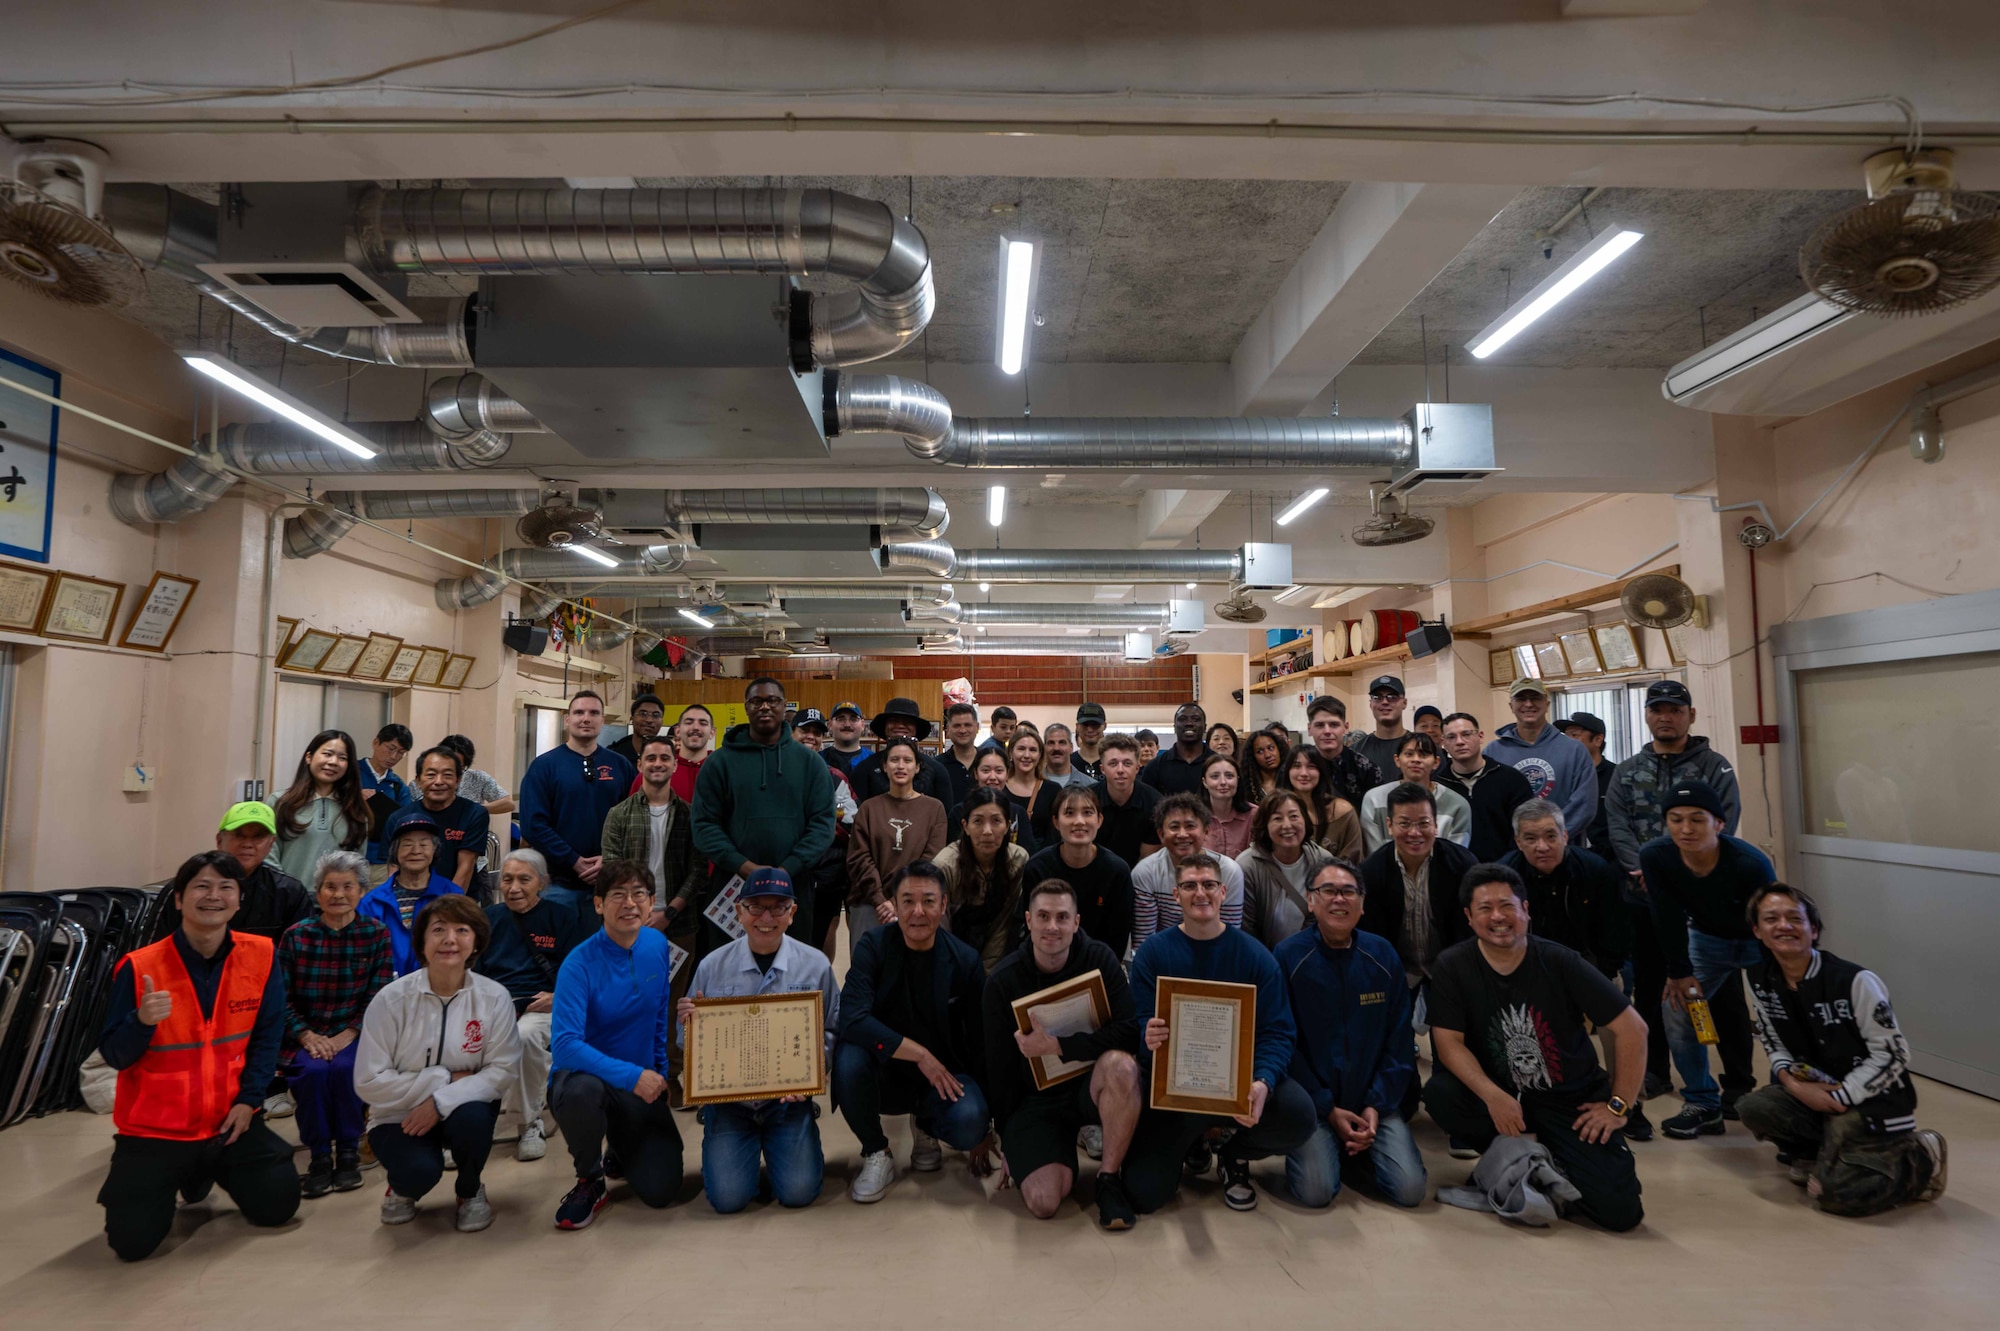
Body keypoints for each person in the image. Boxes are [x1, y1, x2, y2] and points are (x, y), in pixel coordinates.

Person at [95, 852, 299, 1261]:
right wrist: (142, 1020)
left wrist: (249, 1101)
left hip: (229, 1121)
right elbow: (115, 1055)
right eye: (201, 887)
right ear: (178, 899)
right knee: (131, 1245)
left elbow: (266, 1037)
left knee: (279, 1206)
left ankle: (203, 1169)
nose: (214, 896)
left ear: (239, 900)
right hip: (156, 1131)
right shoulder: (140, 967)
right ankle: (185, 1172)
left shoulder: (260, 955)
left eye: (226, 887)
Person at [1423, 865, 1646, 1231]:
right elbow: (1448, 1043)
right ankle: (1516, 1162)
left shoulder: (1560, 961)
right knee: (1442, 1093)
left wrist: (1619, 1106)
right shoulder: (1454, 965)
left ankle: (1531, 1167)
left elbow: (1633, 1030)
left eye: (1507, 906)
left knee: (1620, 1214)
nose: (1497, 917)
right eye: (1484, 908)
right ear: (1469, 916)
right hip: (1502, 1098)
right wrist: (1493, 1095)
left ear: (1525, 909)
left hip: (1568, 1099)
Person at [1736, 885, 1947, 1215]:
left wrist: (1841, 1096)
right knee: (1754, 1106)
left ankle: (1918, 1158)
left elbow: (1893, 1053)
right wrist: (1795, 1086)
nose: (1784, 926)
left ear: (1813, 929)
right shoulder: (1756, 978)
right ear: (1757, 931)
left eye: (1795, 918)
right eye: (1771, 919)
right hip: (1814, 1093)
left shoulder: (1855, 981)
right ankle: (1815, 1153)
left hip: (1873, 1102)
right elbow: (1773, 1043)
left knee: (1833, 1196)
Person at [1126, 855, 1317, 1213]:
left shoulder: (1256, 956)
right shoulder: (1153, 953)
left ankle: (1234, 1153)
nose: (1201, 893)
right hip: (1174, 1092)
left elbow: (1278, 1032)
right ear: (1176, 894)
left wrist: (1262, 1081)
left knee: (1298, 1115)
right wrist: (1146, 1037)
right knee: (1142, 1194)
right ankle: (1191, 1141)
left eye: (1209, 885)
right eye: (1190, 886)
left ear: (1224, 891)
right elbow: (1137, 1023)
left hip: (1237, 1087)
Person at [1605, 680, 1742, 1101]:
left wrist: (1682, 875)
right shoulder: (1627, 770)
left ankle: (1737, 1082)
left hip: (1704, 904)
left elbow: (1726, 823)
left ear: (1691, 716)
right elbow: (1618, 825)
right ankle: (1655, 1072)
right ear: (1647, 715)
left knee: (1719, 993)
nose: (1666, 716)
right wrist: (1644, 869)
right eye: (1658, 709)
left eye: (1675, 709)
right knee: (1649, 990)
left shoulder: (1714, 767)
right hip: (1643, 899)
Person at [982, 878, 1144, 1229]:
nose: (1052, 926)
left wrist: (1059, 1047)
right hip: (1035, 1101)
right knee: (1043, 1203)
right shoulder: (1003, 981)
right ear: (1028, 921)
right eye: (1042, 916)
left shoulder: (1100, 958)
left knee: (1122, 1066)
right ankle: (1055, 1152)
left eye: (1061, 917)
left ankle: (1108, 1179)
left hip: (1090, 1085)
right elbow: (997, 1069)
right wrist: (1008, 1138)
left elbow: (1130, 1032)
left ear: (1076, 922)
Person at [678, 868, 840, 1213]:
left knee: (799, 1193)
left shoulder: (815, 966)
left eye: (778, 908)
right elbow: (684, 1041)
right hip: (729, 1107)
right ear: (739, 911)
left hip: (788, 1102)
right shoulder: (712, 965)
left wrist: (809, 1072)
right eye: (755, 907)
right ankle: (742, 1156)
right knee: (727, 1200)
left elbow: (833, 1029)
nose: (766, 918)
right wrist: (690, 1024)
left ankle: (787, 1150)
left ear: (792, 913)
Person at [355, 894, 520, 1232]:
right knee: (418, 1174)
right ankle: (401, 1189)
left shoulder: (494, 997)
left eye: (462, 930)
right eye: (438, 930)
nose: (449, 940)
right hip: (398, 1114)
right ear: (421, 941)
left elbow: (502, 1070)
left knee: (473, 1119)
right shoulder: (391, 1000)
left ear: (476, 942)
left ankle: (470, 1191)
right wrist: (442, 1080)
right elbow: (368, 1082)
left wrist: (440, 1102)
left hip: (463, 1106)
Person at [835, 863, 992, 1203]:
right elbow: (851, 1016)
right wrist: (918, 1054)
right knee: (848, 1059)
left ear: (944, 904)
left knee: (970, 1120)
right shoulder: (873, 946)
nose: (918, 912)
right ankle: (876, 1151)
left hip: (941, 1076)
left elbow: (981, 1040)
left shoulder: (964, 960)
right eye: (908, 901)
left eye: (929, 901)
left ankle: (926, 1126)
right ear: (894, 903)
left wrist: (987, 1125)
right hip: (885, 1069)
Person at [1276, 859, 1426, 1210]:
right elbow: (1284, 1042)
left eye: (1348, 892)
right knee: (1315, 1193)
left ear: (1362, 903)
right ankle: (1333, 1147)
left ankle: (1356, 1145)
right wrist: (1327, 1108)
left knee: (1410, 1191)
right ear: (1311, 901)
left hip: (1375, 1101)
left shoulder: (1382, 954)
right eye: (1327, 891)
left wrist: (1376, 1105)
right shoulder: (1288, 957)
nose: (1338, 900)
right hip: (1317, 1103)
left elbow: (1399, 1041)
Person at [1497, 799, 1647, 1140]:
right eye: (1531, 838)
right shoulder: (1505, 876)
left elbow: (1616, 932)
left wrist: (1602, 977)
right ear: (1518, 841)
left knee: (1619, 1020)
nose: (1542, 846)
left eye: (1551, 836)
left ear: (1566, 835)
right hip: (1525, 973)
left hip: (1591, 969)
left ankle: (1626, 1103)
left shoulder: (1595, 870)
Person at [548, 859, 683, 1229]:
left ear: (652, 901)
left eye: (639, 894)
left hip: (639, 1080)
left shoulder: (656, 943)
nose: (629, 904)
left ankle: (621, 1147)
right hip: (586, 1079)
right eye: (618, 895)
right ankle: (589, 1181)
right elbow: (565, 1047)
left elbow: (659, 1014)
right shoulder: (578, 965)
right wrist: (634, 1076)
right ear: (597, 904)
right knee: (582, 1093)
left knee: (662, 1190)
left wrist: (660, 1072)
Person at [1643, 780, 1775, 1141]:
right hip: (1706, 940)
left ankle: (1786, 1107)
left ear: (1719, 823)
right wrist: (1679, 972)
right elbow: (1665, 914)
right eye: (1676, 819)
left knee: (1780, 1016)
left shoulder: (1752, 863)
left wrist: (1782, 978)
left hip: (1758, 942)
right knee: (1680, 1009)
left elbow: (1771, 920)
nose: (1685, 829)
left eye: (1697, 819)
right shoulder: (1656, 856)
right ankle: (1703, 1103)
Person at [278, 849, 393, 1198]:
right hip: (304, 1034)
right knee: (313, 1074)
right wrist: (305, 1034)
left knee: (344, 1070)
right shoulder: (296, 936)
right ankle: (318, 1157)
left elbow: (379, 995)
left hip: (356, 1032)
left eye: (348, 886)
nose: (339, 894)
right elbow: (279, 999)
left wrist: (349, 1032)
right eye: (330, 886)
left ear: (361, 891)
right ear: (318, 891)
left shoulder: (376, 934)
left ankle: (346, 1152)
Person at [693, 676, 838, 949]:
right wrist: (746, 868)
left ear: (784, 708)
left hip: (794, 886)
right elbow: (704, 826)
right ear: (746, 707)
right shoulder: (718, 763)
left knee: (791, 973)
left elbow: (822, 825)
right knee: (731, 971)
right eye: (756, 701)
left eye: (772, 700)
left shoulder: (810, 764)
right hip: (733, 886)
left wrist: (786, 869)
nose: (764, 707)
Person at [475, 849, 589, 1163]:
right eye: (508, 879)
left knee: (523, 1037)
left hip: (544, 1005)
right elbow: (477, 973)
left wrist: (558, 997)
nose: (514, 887)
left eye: (524, 879)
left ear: (542, 882)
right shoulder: (489, 918)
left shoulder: (562, 916)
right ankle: (466, 1128)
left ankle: (529, 1123)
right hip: (497, 1005)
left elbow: (578, 972)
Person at [1358, 782, 1479, 1014]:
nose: (1414, 833)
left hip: (1449, 967)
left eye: (1423, 823)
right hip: (1396, 968)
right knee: (1396, 1040)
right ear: (1390, 826)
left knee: (1449, 1038)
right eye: (1404, 823)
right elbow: (1373, 935)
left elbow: (1467, 930)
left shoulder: (1462, 864)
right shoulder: (1371, 872)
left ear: (1435, 825)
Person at [520, 690, 638, 901]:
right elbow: (533, 825)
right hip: (556, 883)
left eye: (593, 713)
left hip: (612, 882)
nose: (586, 718)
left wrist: (609, 859)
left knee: (608, 935)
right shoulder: (544, 766)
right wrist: (573, 859)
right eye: (579, 712)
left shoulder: (621, 765)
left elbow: (634, 820)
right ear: (567, 719)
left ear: (602, 720)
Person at [600, 733, 701, 972]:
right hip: (628, 921)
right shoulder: (618, 814)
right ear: (640, 764)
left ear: (675, 765)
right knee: (628, 997)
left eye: (665, 758)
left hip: (681, 924)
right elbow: (611, 869)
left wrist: (668, 913)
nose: (658, 763)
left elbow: (698, 870)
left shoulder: (691, 816)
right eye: (651, 758)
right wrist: (639, 910)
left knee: (672, 1003)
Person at [154, 801, 313, 944]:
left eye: (258, 837)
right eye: (239, 835)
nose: (248, 844)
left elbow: (299, 956)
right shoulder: (185, 886)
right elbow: (154, 951)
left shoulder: (289, 892)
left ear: (271, 844)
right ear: (219, 840)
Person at [849, 736, 951, 942]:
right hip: (871, 903)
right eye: (894, 760)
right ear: (885, 767)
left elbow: (931, 859)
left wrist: (901, 899)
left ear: (917, 767)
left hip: (917, 902)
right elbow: (859, 858)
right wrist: (881, 901)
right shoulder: (869, 808)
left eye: (907, 760)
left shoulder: (934, 809)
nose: (901, 766)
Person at [1022, 784, 1134, 959]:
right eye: (1069, 813)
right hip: (1046, 960)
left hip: (1099, 964)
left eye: (1088, 813)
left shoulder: (1117, 871)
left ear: (1099, 820)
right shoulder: (1038, 867)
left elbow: (1117, 938)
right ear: (1056, 822)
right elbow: (1030, 931)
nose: (1079, 821)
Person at [356, 808, 465, 975]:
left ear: (434, 850)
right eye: (407, 844)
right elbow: (362, 953)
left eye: (423, 844)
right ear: (395, 852)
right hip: (385, 990)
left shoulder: (452, 896)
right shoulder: (372, 902)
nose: (416, 851)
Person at [1485, 677, 1597, 840]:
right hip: (1510, 850)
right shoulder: (1493, 751)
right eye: (1521, 699)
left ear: (1547, 704)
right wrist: (1518, 840)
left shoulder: (1574, 750)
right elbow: (1488, 805)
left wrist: (1552, 837)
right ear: (1511, 706)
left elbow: (1584, 805)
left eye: (1535, 698)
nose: (1529, 704)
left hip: (1563, 851)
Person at [933, 788, 1028, 972]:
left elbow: (1004, 925)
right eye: (977, 821)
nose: (987, 831)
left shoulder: (1018, 861)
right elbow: (940, 929)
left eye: (996, 821)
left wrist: (989, 973)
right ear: (965, 826)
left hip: (998, 960)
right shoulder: (945, 866)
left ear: (1007, 825)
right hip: (949, 958)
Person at [1131, 793, 1247, 940]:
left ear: (1206, 831)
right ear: (1161, 834)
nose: (1182, 834)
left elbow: (1230, 937)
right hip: (1163, 955)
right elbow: (1144, 940)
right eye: (1174, 827)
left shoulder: (1229, 872)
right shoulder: (1145, 872)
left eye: (1190, 826)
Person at [1238, 789, 1336, 950]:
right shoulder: (1247, 866)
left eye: (1294, 816)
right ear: (1265, 825)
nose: (1287, 825)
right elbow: (1247, 929)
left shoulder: (1324, 861)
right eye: (1277, 818)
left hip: (1316, 956)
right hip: (1266, 960)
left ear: (1305, 820)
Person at [271, 729, 370, 883]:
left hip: (335, 902)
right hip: (286, 900)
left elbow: (358, 865)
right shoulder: (280, 802)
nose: (333, 762)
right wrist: (287, 892)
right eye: (327, 754)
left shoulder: (355, 810)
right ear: (309, 757)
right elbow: (268, 854)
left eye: (342, 757)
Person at [1435, 712, 1533, 863]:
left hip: (1505, 871)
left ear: (1480, 736)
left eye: (1466, 734)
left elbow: (1526, 829)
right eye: (1451, 737)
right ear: (1443, 743)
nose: (1459, 742)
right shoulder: (1436, 785)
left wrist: (1508, 867)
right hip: (1453, 874)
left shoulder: (1512, 780)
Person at [1360, 733, 1472, 854]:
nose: (1416, 760)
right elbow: (1376, 854)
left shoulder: (1458, 805)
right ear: (1397, 760)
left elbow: (1456, 856)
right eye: (1409, 754)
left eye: (1423, 754)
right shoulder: (1374, 799)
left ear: (1436, 762)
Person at [408, 746, 491, 892]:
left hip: (458, 903)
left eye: (447, 775)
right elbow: (395, 867)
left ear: (458, 780)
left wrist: (446, 909)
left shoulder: (474, 814)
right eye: (431, 775)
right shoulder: (401, 817)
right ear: (418, 781)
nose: (439, 782)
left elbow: (465, 868)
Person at [852, 697, 955, 802]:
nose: (900, 725)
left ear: (916, 728)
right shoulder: (865, 769)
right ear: (885, 726)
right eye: (893, 721)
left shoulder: (937, 770)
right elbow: (859, 813)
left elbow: (944, 815)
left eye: (908, 721)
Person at [1093, 733, 1162, 869]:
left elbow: (1146, 863)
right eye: (1113, 763)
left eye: (1127, 763)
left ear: (1137, 768)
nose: (1120, 770)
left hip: (1139, 877)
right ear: (1103, 769)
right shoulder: (1087, 800)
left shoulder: (1155, 803)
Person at [1285, 744, 1364, 861]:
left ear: (1321, 771)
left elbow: (1354, 860)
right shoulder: (1275, 810)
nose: (1304, 773)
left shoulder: (1342, 811)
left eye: (1311, 766)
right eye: (1296, 766)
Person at [1306, 696, 1382, 807]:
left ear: (1346, 727)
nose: (1327, 731)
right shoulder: (1296, 768)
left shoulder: (1366, 769)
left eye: (1334, 725)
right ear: (1309, 729)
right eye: (1319, 725)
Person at [1560, 711, 1618, 853]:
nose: (1568, 742)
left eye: (1574, 735)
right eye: (1565, 736)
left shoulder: (1617, 776)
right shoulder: (1560, 775)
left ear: (1598, 740)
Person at [359, 722, 414, 868]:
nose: (394, 756)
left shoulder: (398, 786)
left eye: (401, 753)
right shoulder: (350, 773)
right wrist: (353, 797)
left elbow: (405, 821)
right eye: (391, 748)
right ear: (376, 743)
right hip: (348, 856)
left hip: (381, 862)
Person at [1001, 729, 1062, 855]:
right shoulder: (999, 788)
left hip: (1042, 861)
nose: (1027, 755)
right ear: (1011, 753)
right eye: (1021, 749)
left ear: (1040, 755)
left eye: (1033, 750)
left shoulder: (1053, 790)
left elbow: (1055, 835)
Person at [1139, 702, 1212, 796]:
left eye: (1195, 719)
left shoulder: (1218, 763)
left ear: (1205, 727)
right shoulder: (1155, 767)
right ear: (1174, 727)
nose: (1189, 723)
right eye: (1182, 719)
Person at [1349, 676, 1413, 779]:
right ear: (1371, 704)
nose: (1385, 702)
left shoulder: (1422, 749)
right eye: (1377, 698)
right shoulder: (1355, 752)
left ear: (1404, 703)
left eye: (1392, 697)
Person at [441, 733, 515, 821]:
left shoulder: (477, 778)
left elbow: (508, 803)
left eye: (459, 766)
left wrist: (475, 810)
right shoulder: (429, 779)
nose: (453, 771)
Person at [1201, 753, 1256, 858]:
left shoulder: (1254, 815)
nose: (1223, 782)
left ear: (1238, 780)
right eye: (1215, 776)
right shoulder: (1193, 816)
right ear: (1205, 782)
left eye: (1229, 776)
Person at [665, 702, 714, 804]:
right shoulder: (659, 768)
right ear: (677, 731)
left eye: (703, 723)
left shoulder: (723, 770)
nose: (695, 727)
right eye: (689, 722)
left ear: (712, 733)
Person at [940, 701, 984, 806]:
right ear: (948, 729)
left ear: (977, 727)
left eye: (968, 725)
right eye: (957, 726)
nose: (963, 730)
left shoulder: (987, 762)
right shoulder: (937, 766)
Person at [608, 692, 665, 768]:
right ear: (632, 719)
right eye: (643, 714)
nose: (649, 720)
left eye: (656, 715)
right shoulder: (615, 756)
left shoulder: (667, 756)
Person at [822, 700, 871, 777]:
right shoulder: (819, 760)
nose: (847, 725)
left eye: (853, 719)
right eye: (841, 719)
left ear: (862, 725)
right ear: (830, 725)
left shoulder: (874, 761)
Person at [1041, 722, 1094, 790]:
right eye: (1051, 743)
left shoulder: (1089, 786)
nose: (1056, 748)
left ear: (1071, 747)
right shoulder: (1033, 783)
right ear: (1044, 748)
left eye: (1062, 742)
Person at [1243, 728, 1287, 802]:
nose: (1267, 755)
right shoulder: (1246, 786)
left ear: (1279, 749)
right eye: (1260, 751)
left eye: (1271, 748)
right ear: (1252, 756)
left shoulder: (1292, 780)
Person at [1071, 702, 1108, 778]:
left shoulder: (1112, 761)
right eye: (1085, 724)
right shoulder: (1068, 763)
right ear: (1077, 727)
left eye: (1095, 724)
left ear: (1104, 726)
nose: (1090, 729)